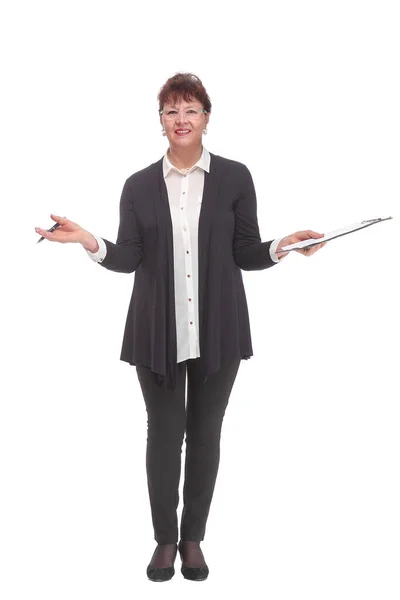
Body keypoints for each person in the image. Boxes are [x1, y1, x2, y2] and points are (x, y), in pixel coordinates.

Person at [35, 72, 326, 582]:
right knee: (165, 438)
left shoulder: (235, 178)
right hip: (155, 331)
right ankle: (164, 540)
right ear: (161, 122)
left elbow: (244, 252)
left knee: (205, 435)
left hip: (219, 330)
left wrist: (284, 247)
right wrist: (87, 239)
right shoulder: (139, 185)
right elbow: (127, 259)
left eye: (191, 109)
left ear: (207, 118)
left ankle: (194, 539)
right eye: (172, 111)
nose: (182, 119)